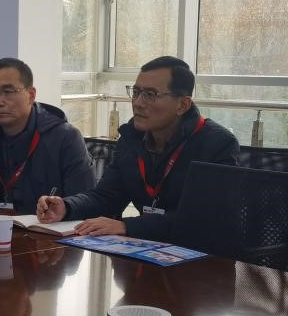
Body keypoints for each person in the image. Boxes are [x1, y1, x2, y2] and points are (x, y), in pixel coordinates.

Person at [36, 56, 238, 239]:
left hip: (199, 259)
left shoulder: (216, 144)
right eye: (136, 92)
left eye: (150, 94)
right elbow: (107, 196)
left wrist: (127, 226)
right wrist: (67, 206)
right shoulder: (131, 139)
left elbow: (202, 220)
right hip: (147, 250)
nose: (138, 103)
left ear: (182, 105)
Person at [0, 57, 95, 213]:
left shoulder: (65, 138)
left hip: (44, 226)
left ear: (31, 95)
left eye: (8, 92)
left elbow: (84, 202)